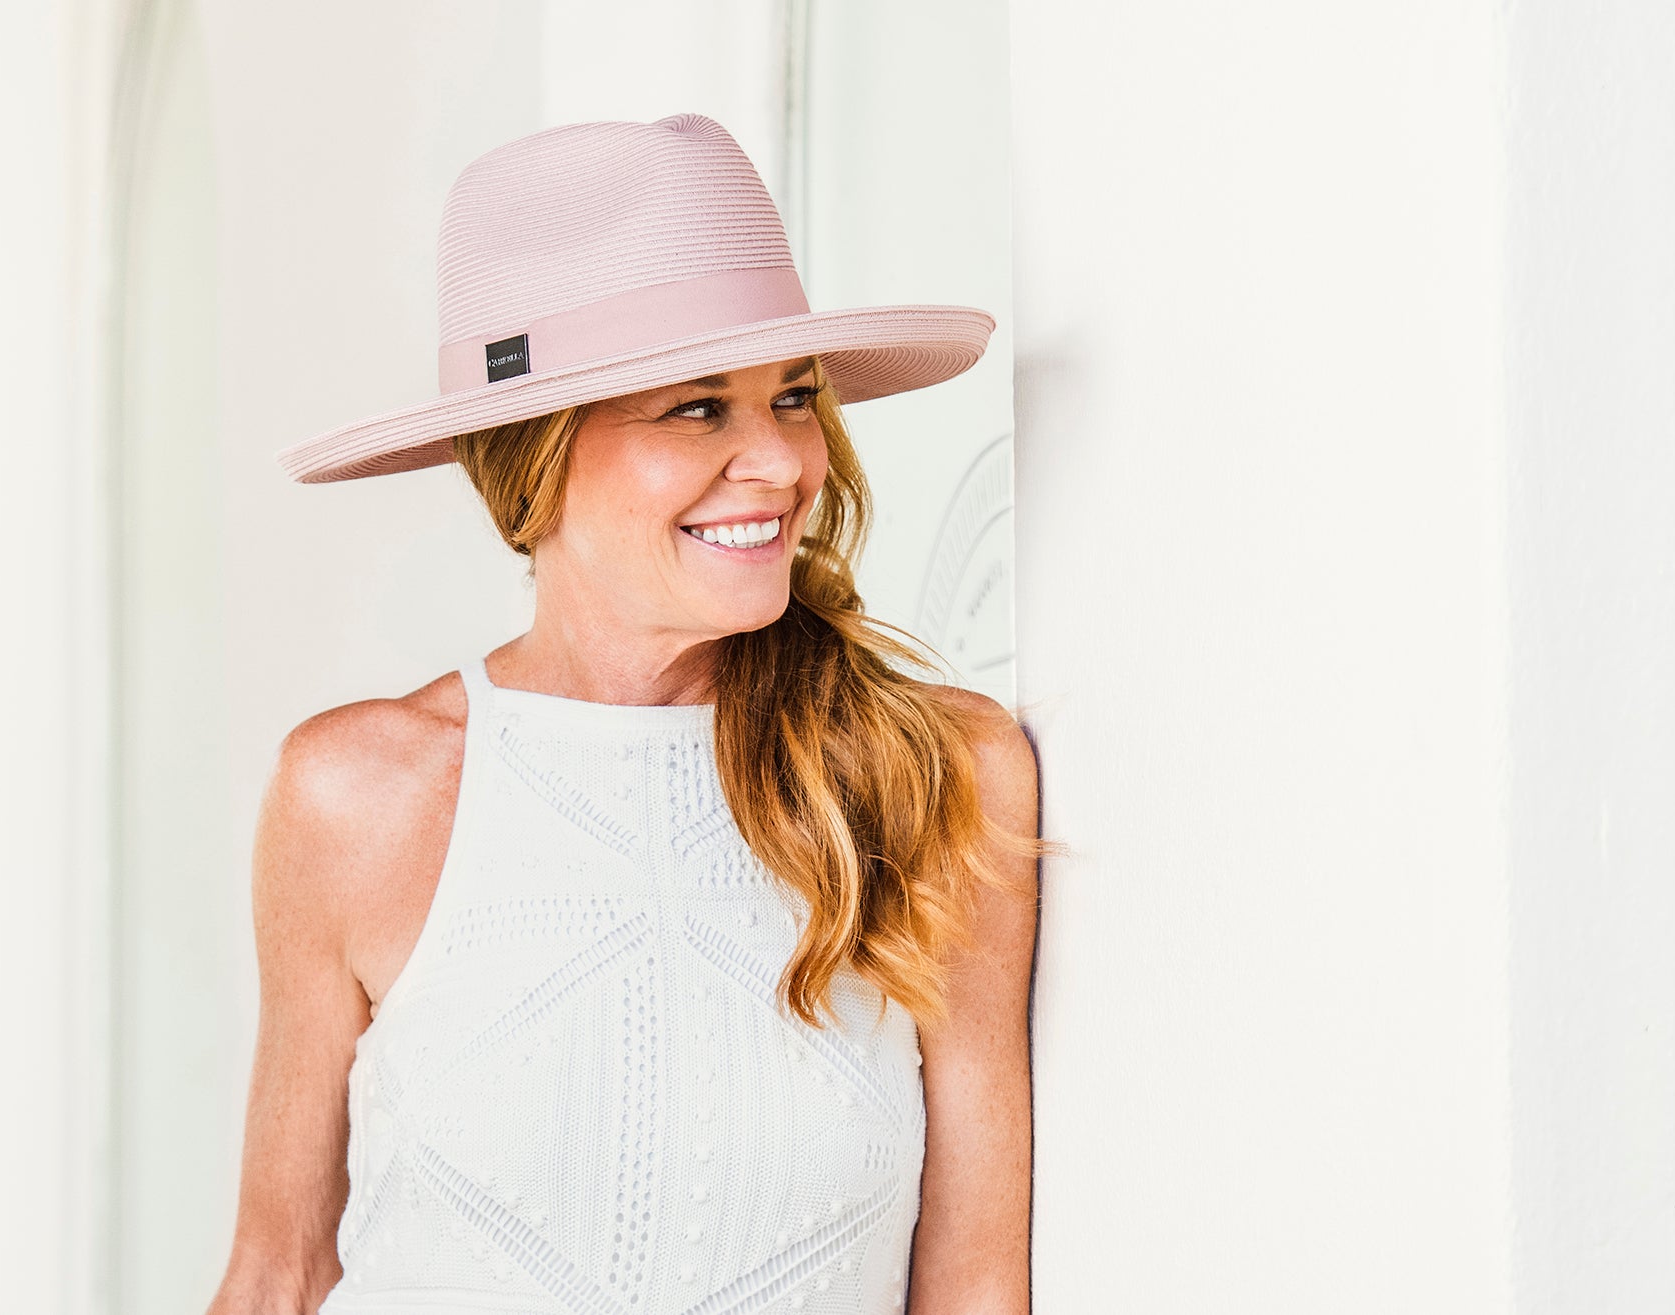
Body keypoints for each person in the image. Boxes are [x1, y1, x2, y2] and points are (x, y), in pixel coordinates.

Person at [207, 112, 1047, 1315]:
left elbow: (973, 1283)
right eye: (697, 409)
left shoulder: (933, 774)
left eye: (793, 397)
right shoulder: (358, 796)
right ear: (532, 460)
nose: (778, 461)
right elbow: (276, 1272)